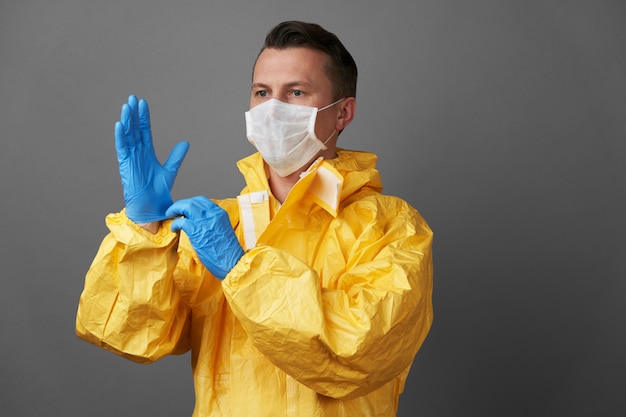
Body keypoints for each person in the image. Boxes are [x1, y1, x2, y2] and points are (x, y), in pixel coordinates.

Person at [76, 20, 434, 417]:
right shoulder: (215, 227)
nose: (273, 109)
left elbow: (357, 351)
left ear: (342, 113)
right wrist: (143, 229)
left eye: (296, 92)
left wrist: (240, 270)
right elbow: (131, 336)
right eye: (262, 92)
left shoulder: (391, 229)